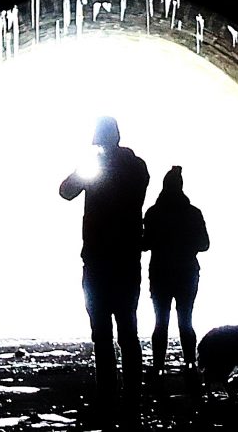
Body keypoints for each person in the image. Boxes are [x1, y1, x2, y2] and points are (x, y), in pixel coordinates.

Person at [58, 116, 152, 415]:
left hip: (98, 260)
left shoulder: (96, 168)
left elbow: (65, 191)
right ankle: (132, 396)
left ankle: (107, 394)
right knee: (128, 330)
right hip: (126, 260)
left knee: (101, 332)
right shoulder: (137, 167)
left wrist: (87, 165)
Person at [141, 165, 210, 368]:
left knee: (160, 322)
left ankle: (158, 366)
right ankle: (190, 363)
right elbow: (204, 245)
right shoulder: (193, 213)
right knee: (186, 321)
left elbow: (144, 245)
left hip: (160, 273)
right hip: (187, 273)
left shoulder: (153, 213)